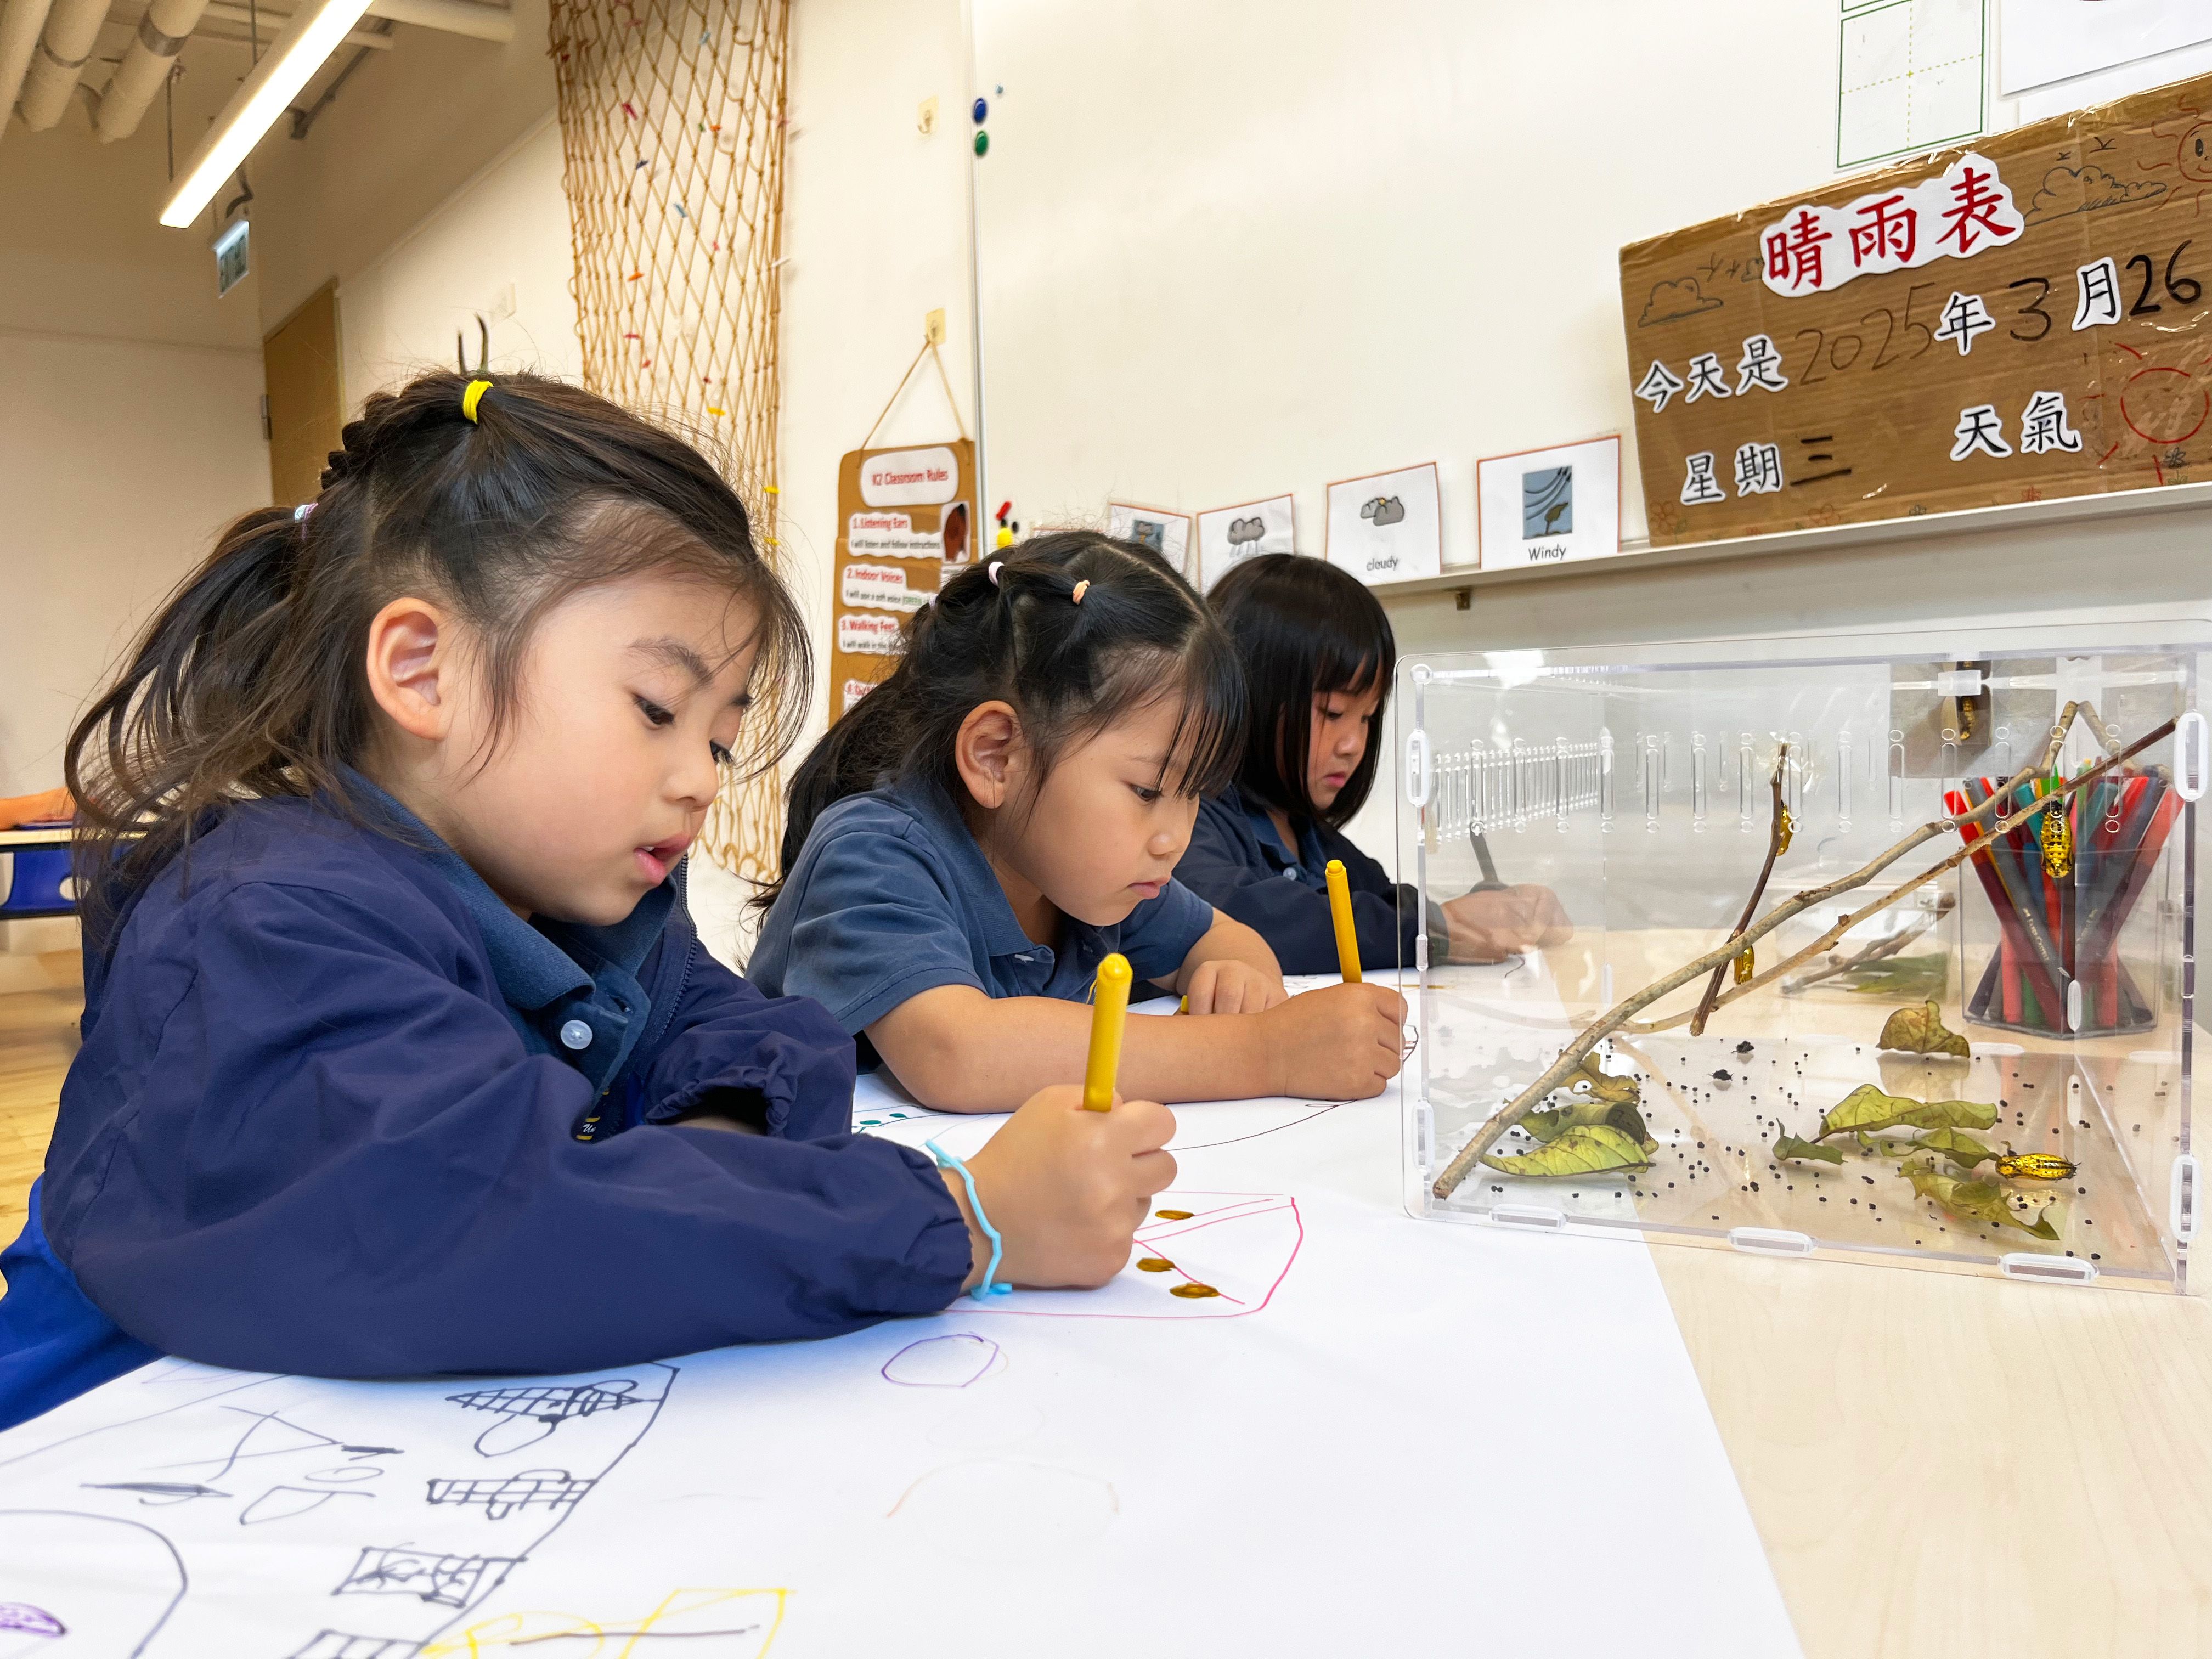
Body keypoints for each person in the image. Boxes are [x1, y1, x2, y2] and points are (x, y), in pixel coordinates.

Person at [0, 373, 1173, 1432]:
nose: (700, 781)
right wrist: (961, 1217)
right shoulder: (261, 922)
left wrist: (707, 1172)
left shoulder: (584, 901)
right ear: (424, 672)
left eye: (721, 738)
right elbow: (506, 1228)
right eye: (659, 711)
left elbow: (763, 1032)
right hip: (115, 1481)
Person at [749, 532, 1408, 1115]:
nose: (1175, 836)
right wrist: (1265, 1050)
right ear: (996, 755)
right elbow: (958, 1053)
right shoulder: (873, 855)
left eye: (1195, 793)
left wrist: (1237, 975)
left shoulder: (1099, 882)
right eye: (1148, 788)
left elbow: (1231, 942)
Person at [1175, 554, 1567, 974]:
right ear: (1249, 695)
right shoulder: (1186, 815)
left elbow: (1381, 902)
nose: (1354, 744)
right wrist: (1434, 928)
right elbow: (1241, 916)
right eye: (1333, 713)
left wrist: (1496, 910)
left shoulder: (1308, 834)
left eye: (1367, 717)